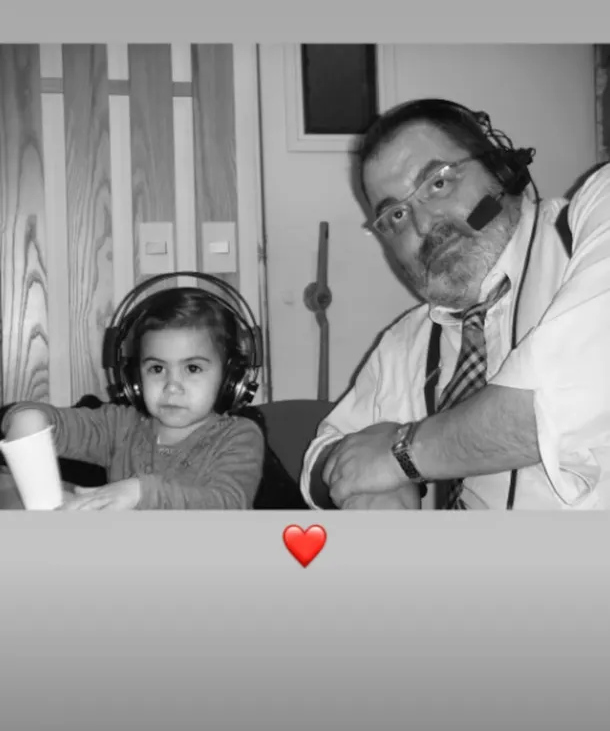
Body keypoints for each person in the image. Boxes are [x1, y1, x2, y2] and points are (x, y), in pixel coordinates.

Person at [300, 98, 610, 511]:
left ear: (499, 169)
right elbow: (325, 452)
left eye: (438, 183)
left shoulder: (592, 227)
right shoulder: (409, 341)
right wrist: (374, 490)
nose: (424, 225)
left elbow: (559, 401)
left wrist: (400, 456)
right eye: (396, 216)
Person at [1, 288, 265, 510]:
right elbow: (57, 425)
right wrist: (27, 418)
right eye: (157, 369)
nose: (172, 386)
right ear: (135, 378)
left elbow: (228, 503)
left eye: (193, 368)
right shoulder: (122, 426)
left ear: (230, 378)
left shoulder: (239, 436)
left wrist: (140, 492)